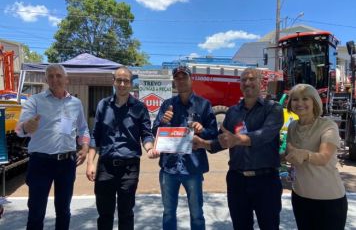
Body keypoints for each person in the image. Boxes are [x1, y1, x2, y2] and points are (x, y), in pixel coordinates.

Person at [193, 68, 284, 229]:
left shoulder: (273, 109)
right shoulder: (233, 112)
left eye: (251, 79)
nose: (247, 83)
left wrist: (237, 139)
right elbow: (221, 141)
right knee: (240, 226)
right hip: (237, 181)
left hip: (266, 181)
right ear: (240, 85)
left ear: (260, 82)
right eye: (243, 80)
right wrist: (202, 143)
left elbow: (264, 135)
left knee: (269, 226)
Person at [16, 64, 90, 230]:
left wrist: (85, 146)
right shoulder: (35, 101)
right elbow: (19, 129)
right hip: (41, 162)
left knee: (64, 210)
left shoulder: (76, 103)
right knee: (36, 211)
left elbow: (83, 128)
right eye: (51, 76)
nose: (55, 79)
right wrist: (28, 126)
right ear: (46, 80)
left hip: (66, 163)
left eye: (58, 75)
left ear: (66, 79)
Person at [86, 66, 157, 230]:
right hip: (105, 167)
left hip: (129, 168)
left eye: (126, 81)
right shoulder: (103, 105)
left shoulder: (140, 107)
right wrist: (90, 163)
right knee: (104, 214)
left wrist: (149, 148)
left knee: (126, 213)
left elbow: (146, 134)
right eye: (119, 80)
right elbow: (95, 135)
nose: (122, 84)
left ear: (131, 84)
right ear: (114, 82)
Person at [152, 66, 218, 230]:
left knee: (196, 214)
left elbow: (214, 135)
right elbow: (155, 132)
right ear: (174, 81)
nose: (180, 80)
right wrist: (163, 122)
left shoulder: (203, 105)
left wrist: (202, 130)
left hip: (193, 169)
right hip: (169, 168)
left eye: (184, 77)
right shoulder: (167, 105)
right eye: (177, 78)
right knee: (168, 213)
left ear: (191, 79)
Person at [285, 84, 348, 230]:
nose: (299, 103)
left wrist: (305, 154)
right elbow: (292, 156)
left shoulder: (328, 125)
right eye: (295, 99)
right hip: (300, 196)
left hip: (328, 200)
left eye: (305, 98)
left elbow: (324, 157)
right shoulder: (292, 126)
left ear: (314, 101)